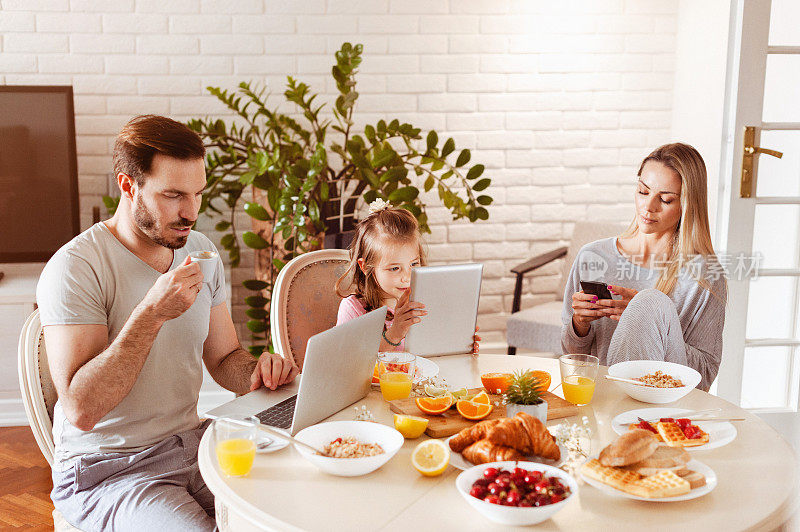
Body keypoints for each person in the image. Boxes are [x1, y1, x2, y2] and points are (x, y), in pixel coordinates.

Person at [37, 115, 298, 531]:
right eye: (173, 195)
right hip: (110, 470)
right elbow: (82, 409)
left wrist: (259, 372)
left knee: (295, 508)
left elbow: (225, 357)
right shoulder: (76, 267)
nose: (190, 212)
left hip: (192, 444)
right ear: (127, 186)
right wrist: (152, 313)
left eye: (197, 193)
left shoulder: (201, 251)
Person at [561, 143, 726, 390]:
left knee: (650, 304)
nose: (649, 207)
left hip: (662, 408)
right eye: (643, 191)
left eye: (666, 199)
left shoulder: (704, 276)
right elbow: (571, 358)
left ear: (687, 205)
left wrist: (649, 320)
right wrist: (579, 325)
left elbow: (703, 376)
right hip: (599, 397)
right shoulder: (593, 256)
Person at [335, 200, 480, 354]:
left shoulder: (427, 303)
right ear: (365, 267)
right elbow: (351, 364)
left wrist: (460, 346)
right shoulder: (353, 309)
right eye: (395, 268)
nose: (407, 277)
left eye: (413, 264)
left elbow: (436, 355)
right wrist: (395, 334)